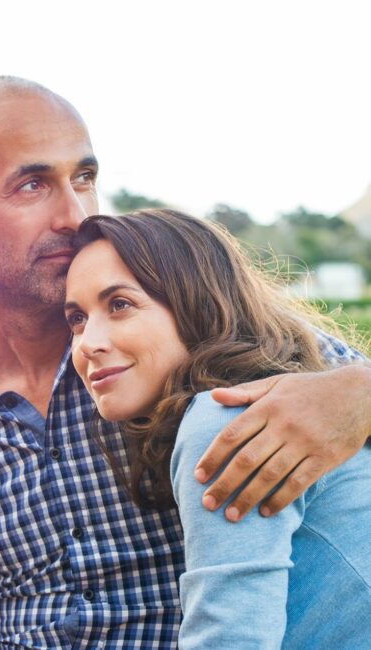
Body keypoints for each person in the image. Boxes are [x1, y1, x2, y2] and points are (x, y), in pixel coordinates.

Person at [0, 76, 371, 648]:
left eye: (84, 178)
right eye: (33, 185)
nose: (75, 213)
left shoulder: (196, 348)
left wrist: (360, 392)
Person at [65, 209, 371, 647]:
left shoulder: (227, 418)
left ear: (196, 304)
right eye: (76, 318)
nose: (88, 343)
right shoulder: (278, 399)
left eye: (120, 305)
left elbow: (230, 638)